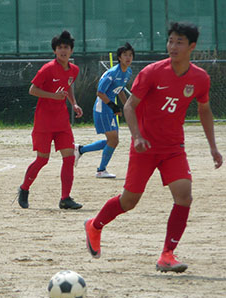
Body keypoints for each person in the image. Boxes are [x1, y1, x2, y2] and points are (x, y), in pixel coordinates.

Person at [84, 22, 223, 273]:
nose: (173, 46)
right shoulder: (152, 72)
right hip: (144, 146)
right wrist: (136, 136)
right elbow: (128, 106)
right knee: (129, 201)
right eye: (170, 40)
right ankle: (95, 225)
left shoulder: (200, 78)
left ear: (191, 46)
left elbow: (204, 110)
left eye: (179, 42)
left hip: (173, 147)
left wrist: (213, 147)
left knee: (184, 195)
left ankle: (167, 254)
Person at [17, 30, 83, 210]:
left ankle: (65, 198)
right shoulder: (47, 69)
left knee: (69, 158)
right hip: (44, 121)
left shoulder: (74, 70)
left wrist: (74, 104)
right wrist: (53, 96)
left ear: (71, 51)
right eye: (60, 47)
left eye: (66, 47)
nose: (63, 50)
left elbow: (68, 87)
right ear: (55, 51)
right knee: (42, 160)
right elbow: (32, 89)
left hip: (62, 121)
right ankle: (24, 188)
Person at [77, 43, 134, 178]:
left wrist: (126, 106)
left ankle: (80, 150)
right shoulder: (112, 73)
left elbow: (119, 91)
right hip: (103, 107)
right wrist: (113, 106)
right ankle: (100, 170)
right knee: (113, 140)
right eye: (125, 55)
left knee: (113, 141)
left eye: (130, 55)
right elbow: (100, 92)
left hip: (110, 107)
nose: (128, 57)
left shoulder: (128, 72)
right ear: (119, 57)